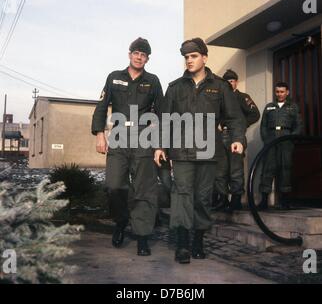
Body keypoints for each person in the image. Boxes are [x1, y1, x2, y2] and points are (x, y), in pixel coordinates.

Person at [154, 38, 245, 264]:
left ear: (204, 58)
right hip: (182, 151)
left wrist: (237, 138)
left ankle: (198, 241)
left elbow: (234, 116)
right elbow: (165, 119)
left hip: (208, 151)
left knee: (203, 198)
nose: (189, 60)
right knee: (182, 195)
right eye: (186, 57)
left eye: (193, 56)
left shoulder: (220, 87)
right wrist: (160, 146)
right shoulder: (175, 87)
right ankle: (183, 244)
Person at [91, 37, 163, 256]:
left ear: (147, 58)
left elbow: (161, 114)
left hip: (143, 138)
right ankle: (121, 221)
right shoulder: (114, 78)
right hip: (120, 136)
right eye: (136, 53)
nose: (139, 57)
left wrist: (159, 146)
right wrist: (99, 135)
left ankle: (142, 237)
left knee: (144, 189)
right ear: (130, 54)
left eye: (143, 55)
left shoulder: (153, 81)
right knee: (114, 186)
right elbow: (102, 106)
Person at [214, 69, 260, 212]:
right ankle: (222, 199)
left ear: (236, 82)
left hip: (236, 136)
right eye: (227, 81)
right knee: (220, 171)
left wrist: (242, 124)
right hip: (221, 137)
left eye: (232, 81)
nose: (230, 83)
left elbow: (255, 114)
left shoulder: (242, 97)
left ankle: (236, 200)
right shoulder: (219, 98)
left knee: (236, 170)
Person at [258, 82, 302, 210]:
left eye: (282, 92)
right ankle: (264, 200)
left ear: (287, 92)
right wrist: (266, 140)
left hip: (285, 139)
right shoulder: (269, 107)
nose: (279, 94)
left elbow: (298, 125)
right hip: (271, 139)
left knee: (285, 168)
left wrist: (291, 138)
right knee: (268, 168)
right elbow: (263, 126)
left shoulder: (292, 107)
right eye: (277, 91)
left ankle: (285, 201)